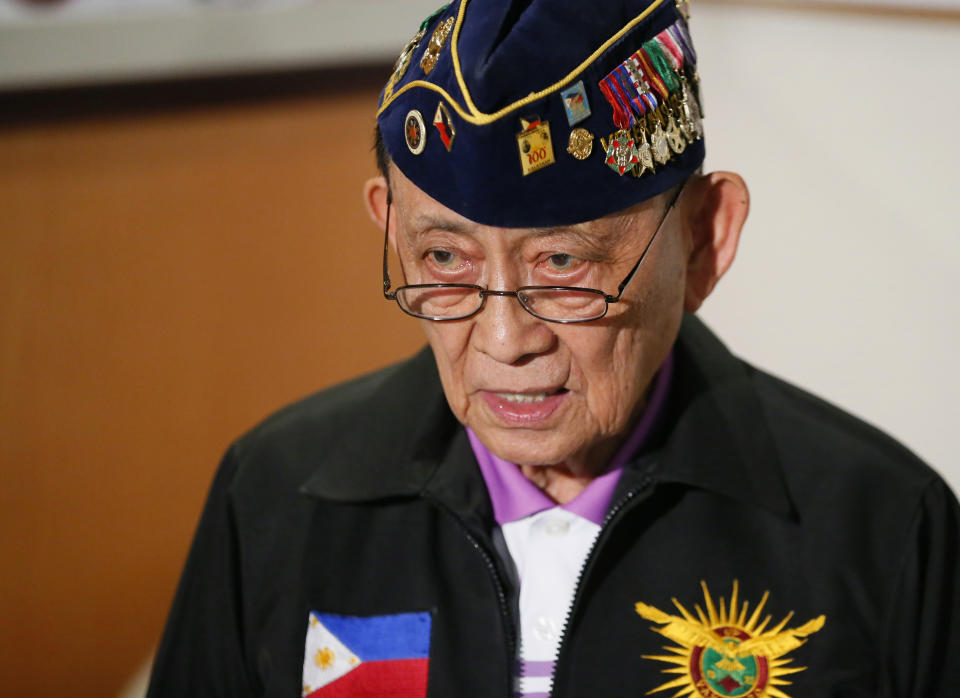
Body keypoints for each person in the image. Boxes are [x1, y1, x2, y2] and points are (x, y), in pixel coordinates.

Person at [147, 0, 960, 696]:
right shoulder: (276, 498)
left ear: (705, 241)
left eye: (564, 265)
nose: (504, 341)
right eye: (444, 260)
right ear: (390, 229)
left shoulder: (882, 531)